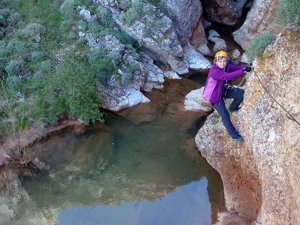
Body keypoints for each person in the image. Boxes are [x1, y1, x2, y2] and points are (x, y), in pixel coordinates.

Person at [203, 50, 252, 142]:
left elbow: (238, 68)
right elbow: (228, 76)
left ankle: (233, 107)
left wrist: (248, 66)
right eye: (220, 61)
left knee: (242, 93)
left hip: (223, 91)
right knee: (225, 115)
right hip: (215, 97)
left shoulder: (227, 66)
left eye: (224, 61)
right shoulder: (214, 71)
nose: (222, 63)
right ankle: (234, 135)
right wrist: (243, 71)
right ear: (216, 61)